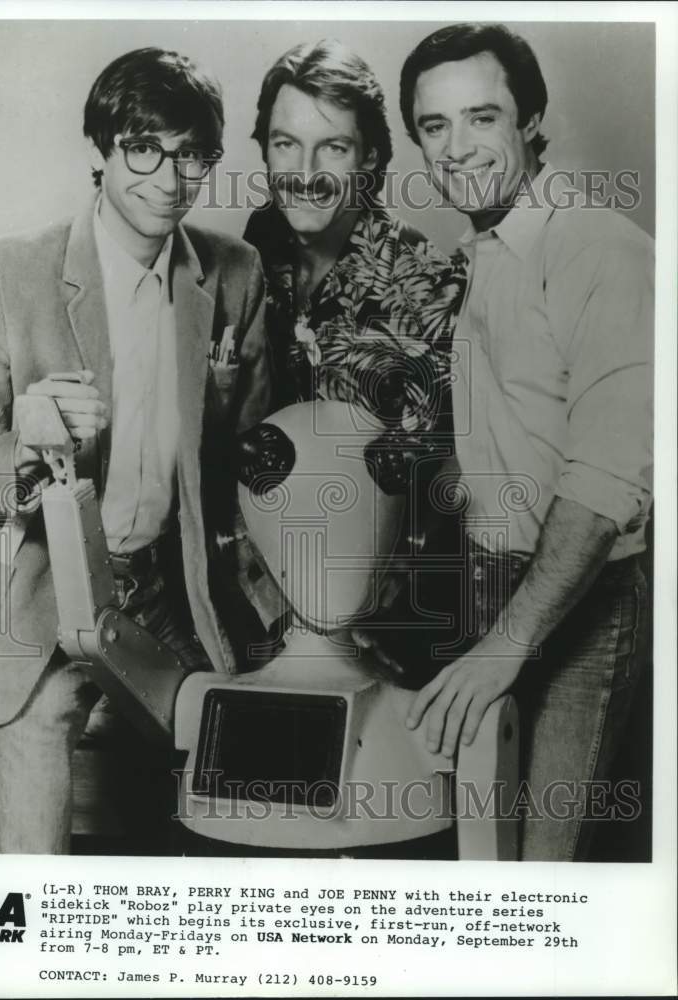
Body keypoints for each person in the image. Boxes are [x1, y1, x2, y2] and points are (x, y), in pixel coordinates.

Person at [0, 47, 271, 854]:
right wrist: (26, 442)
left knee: (243, 803)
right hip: (34, 586)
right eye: (143, 148)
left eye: (192, 156)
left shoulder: (235, 272)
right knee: (31, 881)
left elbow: (258, 464)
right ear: (100, 150)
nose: (168, 178)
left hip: (174, 594)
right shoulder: (13, 272)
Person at [398, 23, 653, 860]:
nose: (458, 148)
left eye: (483, 118)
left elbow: (606, 481)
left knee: (546, 873)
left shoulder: (600, 249)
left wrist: (501, 648)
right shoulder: (488, 244)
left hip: (585, 593)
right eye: (435, 127)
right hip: (488, 579)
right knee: (483, 850)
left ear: (532, 120)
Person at [242, 39, 466, 655]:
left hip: (377, 627)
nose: (306, 171)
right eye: (286, 143)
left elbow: (440, 490)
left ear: (369, 158)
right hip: (247, 600)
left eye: (333, 148)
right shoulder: (248, 254)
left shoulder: (429, 283)